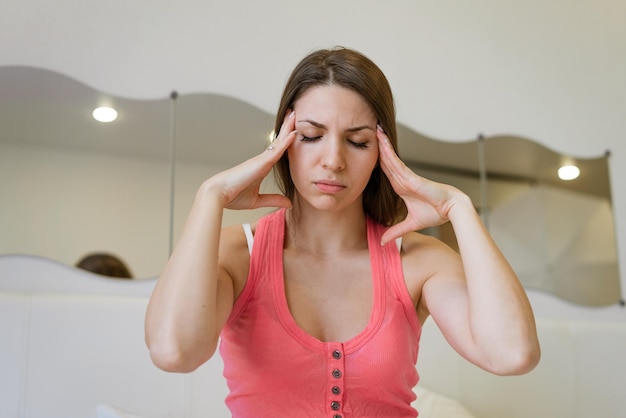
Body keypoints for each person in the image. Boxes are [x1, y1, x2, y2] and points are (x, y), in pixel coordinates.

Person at [145, 47, 540, 417]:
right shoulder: (238, 256)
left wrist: (459, 207)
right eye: (311, 136)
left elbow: (511, 354)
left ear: (381, 152)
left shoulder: (418, 262)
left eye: (357, 141)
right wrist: (210, 197)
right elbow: (174, 352)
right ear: (283, 142)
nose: (333, 160)